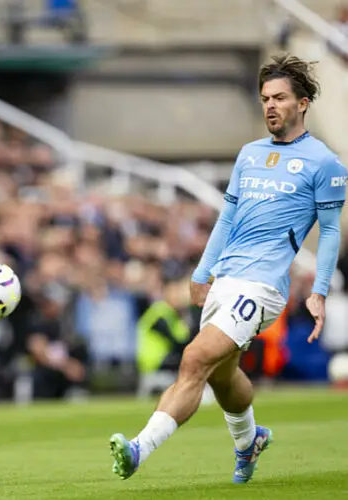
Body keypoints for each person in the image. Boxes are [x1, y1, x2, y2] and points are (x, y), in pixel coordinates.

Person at [109, 54, 346, 483]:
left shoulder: (325, 163)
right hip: (227, 279)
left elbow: (330, 233)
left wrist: (320, 290)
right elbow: (227, 218)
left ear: (303, 103)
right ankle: (249, 441)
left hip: (263, 286)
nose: (270, 106)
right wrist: (203, 272)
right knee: (222, 375)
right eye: (264, 99)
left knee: (194, 358)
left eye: (279, 98)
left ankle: (138, 448)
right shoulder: (249, 154)